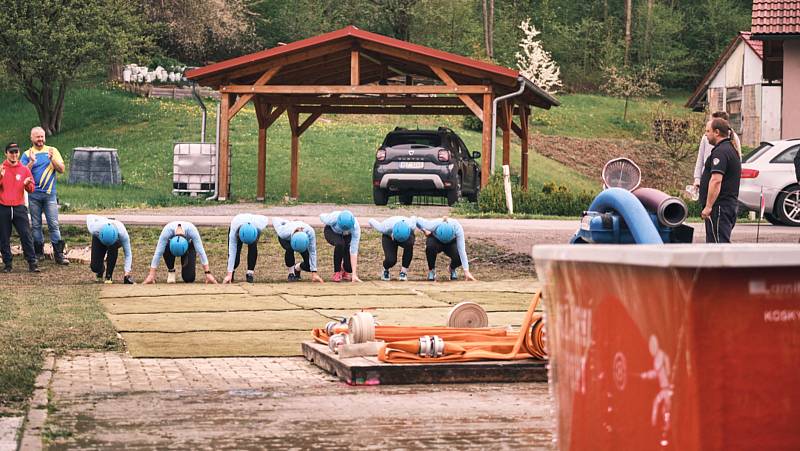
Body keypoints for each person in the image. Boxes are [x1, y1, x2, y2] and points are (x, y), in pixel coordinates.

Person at [21, 127, 68, 265]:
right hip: (33, 195)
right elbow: (22, 174)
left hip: (50, 196)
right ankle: (39, 253)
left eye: (42, 136)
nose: (40, 139)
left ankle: (59, 255)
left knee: (54, 224)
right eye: (37, 137)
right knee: (36, 225)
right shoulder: (26, 154)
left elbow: (61, 170)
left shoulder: (52, 150)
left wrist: (52, 159)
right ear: (31, 138)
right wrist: (31, 161)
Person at [699, 118, 741, 243]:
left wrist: (708, 206)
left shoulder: (721, 152)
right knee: (717, 244)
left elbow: (716, 180)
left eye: (708, 131)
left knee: (718, 246)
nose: (706, 135)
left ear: (716, 132)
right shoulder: (729, 149)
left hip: (719, 208)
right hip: (725, 206)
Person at [0, 143, 39, 273]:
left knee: (26, 235)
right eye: (11, 152)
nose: (14, 155)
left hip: (19, 207)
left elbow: (32, 188)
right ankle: (8, 264)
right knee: (4, 237)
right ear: (6, 153)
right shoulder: (1, 168)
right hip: (3, 207)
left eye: (16, 152)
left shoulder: (24, 169)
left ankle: (32, 262)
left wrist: (27, 184)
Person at [143, 221, 217, 284]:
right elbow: (158, 253)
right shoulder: (166, 231)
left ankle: (186, 263)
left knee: (189, 279)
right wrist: (151, 275)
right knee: (164, 246)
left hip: (188, 247)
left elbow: (201, 252)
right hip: (169, 247)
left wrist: (208, 273)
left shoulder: (192, 231)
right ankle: (171, 270)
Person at [692, 111, 741, 192]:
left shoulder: (733, 139)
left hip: (723, 181)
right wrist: (697, 179)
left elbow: (738, 161)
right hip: (707, 177)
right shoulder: (705, 138)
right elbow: (700, 159)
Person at [416, 216, 476, 281]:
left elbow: (462, 250)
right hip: (436, 240)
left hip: (451, 243)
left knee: (459, 256)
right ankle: (431, 270)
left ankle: (452, 268)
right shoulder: (432, 225)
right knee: (430, 247)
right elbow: (417, 220)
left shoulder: (458, 228)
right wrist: (424, 230)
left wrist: (466, 271)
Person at [222, 213, 269, 284]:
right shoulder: (234, 230)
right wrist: (229, 274)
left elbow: (266, 219)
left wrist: (255, 239)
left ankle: (250, 273)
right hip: (238, 223)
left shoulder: (260, 224)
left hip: (253, 226)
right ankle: (232, 272)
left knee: (253, 247)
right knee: (236, 254)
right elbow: (232, 252)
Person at [273, 217, 323, 283]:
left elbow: (312, 252)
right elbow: (275, 219)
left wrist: (314, 273)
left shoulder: (310, 233)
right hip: (286, 236)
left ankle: (297, 268)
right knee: (289, 249)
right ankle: (291, 274)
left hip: (301, 239)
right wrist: (285, 222)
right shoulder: (283, 233)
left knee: (309, 266)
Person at [86, 214, 133, 284]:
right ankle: (101, 270)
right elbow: (89, 216)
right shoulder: (93, 228)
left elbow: (128, 254)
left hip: (115, 242)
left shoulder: (123, 233)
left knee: (113, 247)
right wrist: (103, 218)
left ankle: (109, 275)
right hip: (99, 238)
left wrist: (127, 274)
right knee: (95, 267)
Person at [368, 216, 416, 281]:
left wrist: (424, 229)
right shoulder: (384, 227)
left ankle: (403, 272)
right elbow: (371, 220)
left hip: (406, 236)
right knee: (391, 260)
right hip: (388, 237)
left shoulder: (411, 225)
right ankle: (385, 269)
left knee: (410, 244)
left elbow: (414, 217)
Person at [320, 210, 361, 282]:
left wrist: (354, 274)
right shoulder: (332, 218)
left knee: (349, 267)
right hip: (332, 231)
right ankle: (337, 272)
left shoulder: (355, 228)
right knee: (340, 244)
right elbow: (321, 215)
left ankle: (344, 270)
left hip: (347, 236)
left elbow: (354, 251)